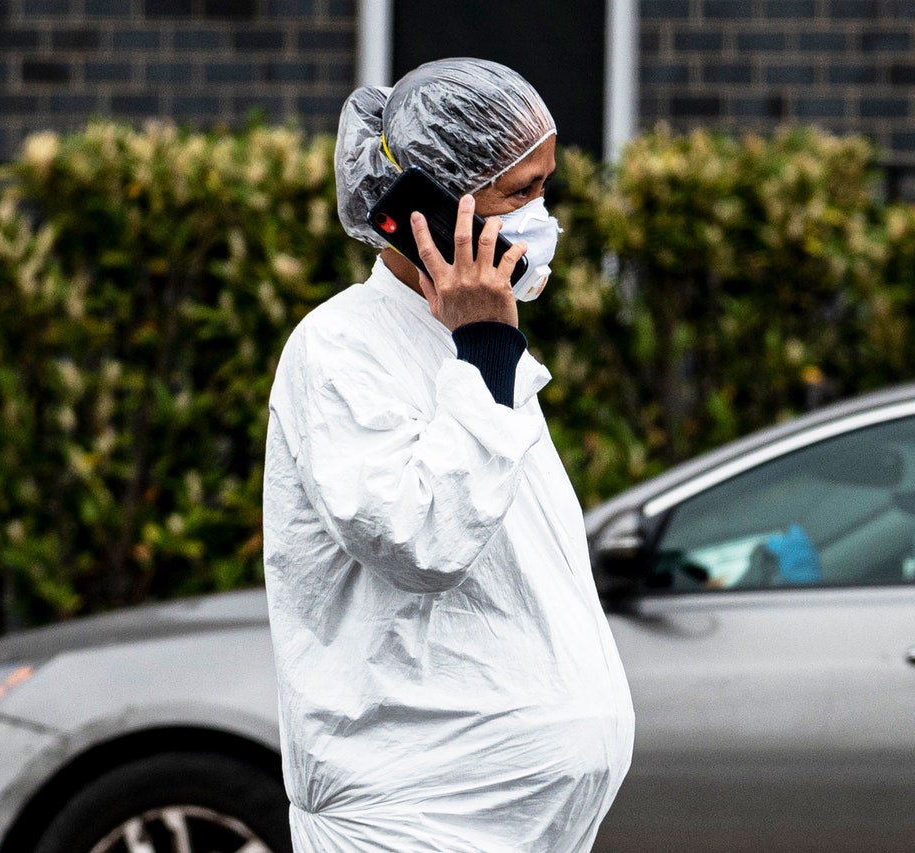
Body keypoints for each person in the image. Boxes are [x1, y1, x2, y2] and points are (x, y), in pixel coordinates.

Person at [262, 59, 635, 852]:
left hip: (496, 820)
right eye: (520, 192)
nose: (544, 217)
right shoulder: (341, 348)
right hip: (413, 821)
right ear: (427, 208)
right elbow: (422, 538)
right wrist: (488, 352)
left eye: (546, 186)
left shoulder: (460, 344)